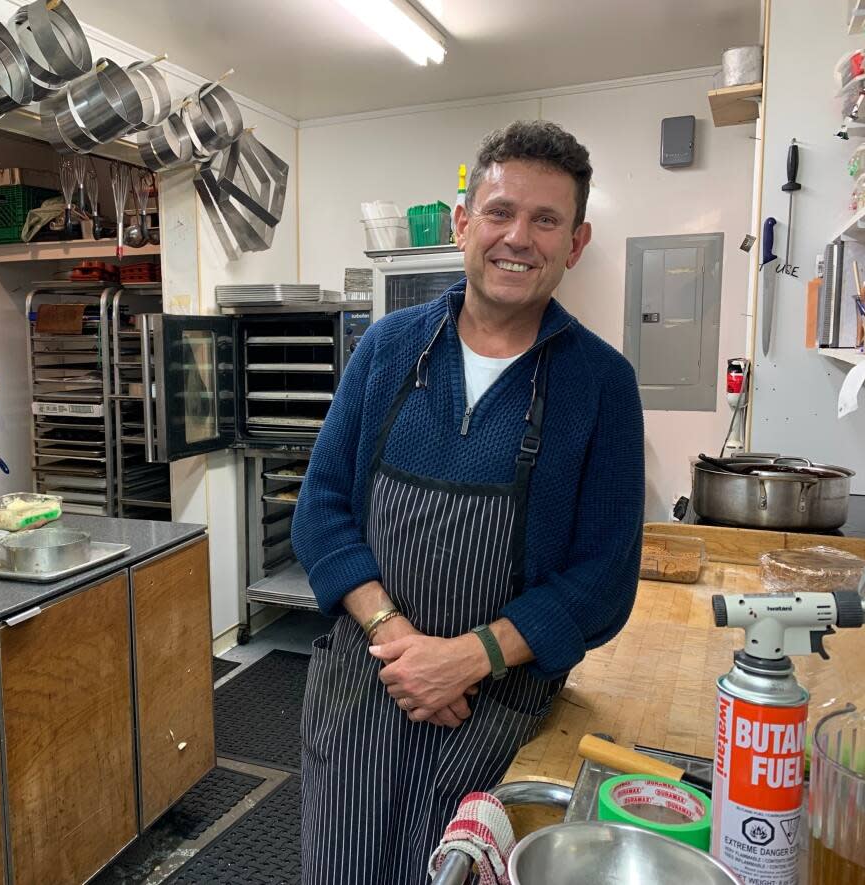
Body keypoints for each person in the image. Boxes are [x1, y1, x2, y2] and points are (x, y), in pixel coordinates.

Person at [291, 120, 645, 884]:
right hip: (365, 692)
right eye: (500, 212)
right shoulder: (387, 349)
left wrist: (468, 657)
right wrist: (398, 639)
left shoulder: (602, 385)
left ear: (575, 243)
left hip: (493, 716)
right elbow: (319, 509)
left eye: (546, 220)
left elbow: (602, 580)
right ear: (463, 224)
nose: (519, 237)